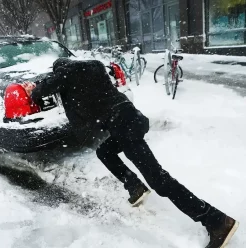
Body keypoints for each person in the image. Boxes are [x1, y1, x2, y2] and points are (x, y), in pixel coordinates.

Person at [31, 58, 238, 248]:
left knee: (158, 179)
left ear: (60, 68)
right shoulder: (93, 66)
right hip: (132, 118)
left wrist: (37, 86)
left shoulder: (65, 73)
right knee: (105, 152)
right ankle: (135, 186)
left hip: (123, 127)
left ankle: (217, 221)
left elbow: (38, 92)